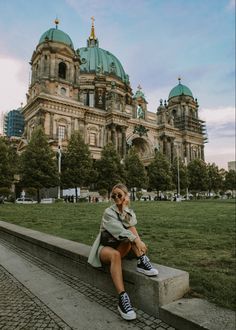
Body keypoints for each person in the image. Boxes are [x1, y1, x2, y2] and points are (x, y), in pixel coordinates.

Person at [88, 183, 158, 321]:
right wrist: (137, 241)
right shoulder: (108, 212)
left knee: (131, 228)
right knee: (117, 252)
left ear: (126, 196)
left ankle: (141, 260)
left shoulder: (128, 211)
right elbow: (117, 230)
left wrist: (124, 208)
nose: (116, 197)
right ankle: (122, 298)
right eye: (113, 195)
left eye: (119, 195)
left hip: (121, 246)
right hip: (105, 248)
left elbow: (131, 224)